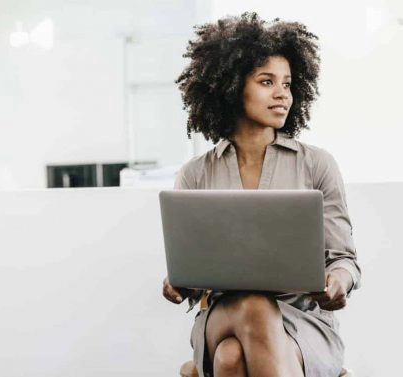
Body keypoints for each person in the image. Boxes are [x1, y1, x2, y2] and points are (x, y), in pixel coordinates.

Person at [162, 12, 361, 377]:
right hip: (222, 315)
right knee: (252, 305)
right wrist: (177, 284)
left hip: (303, 322)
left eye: (287, 83)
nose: (282, 93)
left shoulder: (317, 164)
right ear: (232, 86)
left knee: (230, 359)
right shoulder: (195, 174)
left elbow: (344, 259)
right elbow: (188, 270)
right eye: (267, 82)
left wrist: (338, 282)